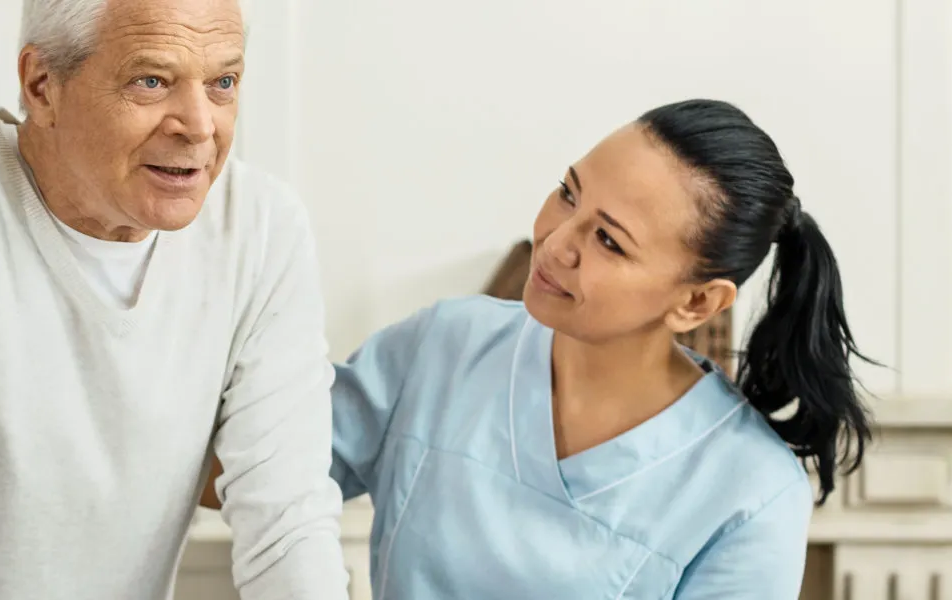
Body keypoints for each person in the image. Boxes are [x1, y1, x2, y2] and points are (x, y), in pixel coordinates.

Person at [0, 0, 353, 598]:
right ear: (42, 85)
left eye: (223, 83)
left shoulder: (262, 230)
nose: (200, 125)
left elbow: (289, 526)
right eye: (151, 81)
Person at [202, 98, 874, 599]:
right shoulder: (446, 347)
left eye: (609, 240)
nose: (556, 242)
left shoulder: (751, 494)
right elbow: (256, 473)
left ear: (696, 303)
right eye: (568, 193)